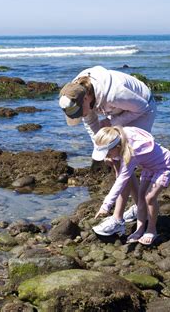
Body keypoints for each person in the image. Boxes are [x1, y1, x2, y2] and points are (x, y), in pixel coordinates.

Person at [59, 65, 157, 229]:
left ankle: (119, 218)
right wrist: (102, 147)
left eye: (80, 112)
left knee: (124, 160)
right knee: (116, 160)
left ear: (86, 99)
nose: (81, 116)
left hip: (142, 110)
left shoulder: (115, 94)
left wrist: (111, 124)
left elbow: (142, 108)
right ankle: (140, 208)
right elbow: (90, 122)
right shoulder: (75, 90)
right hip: (117, 110)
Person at [91, 126, 170, 245]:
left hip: (164, 166)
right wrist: (111, 158)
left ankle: (151, 230)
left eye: (108, 153)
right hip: (149, 167)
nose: (107, 156)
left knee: (149, 198)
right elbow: (118, 169)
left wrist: (106, 205)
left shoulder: (131, 154)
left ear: (118, 147)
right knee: (141, 198)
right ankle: (140, 229)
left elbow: (121, 181)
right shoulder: (120, 135)